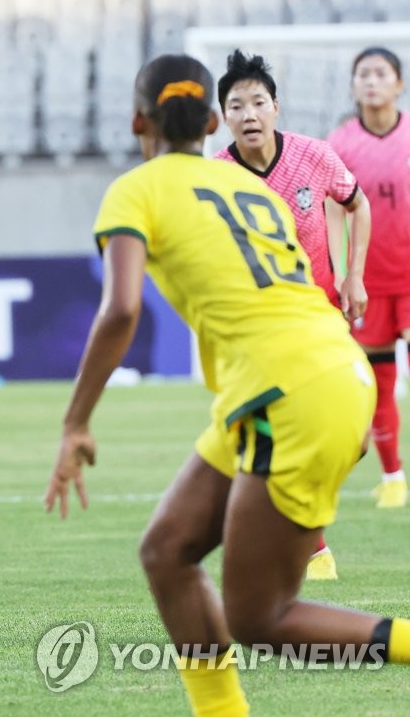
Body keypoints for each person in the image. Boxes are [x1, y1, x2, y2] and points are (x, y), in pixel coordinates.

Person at [45, 53, 410, 717]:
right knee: (167, 550)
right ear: (214, 122)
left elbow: (122, 308)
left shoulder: (137, 189)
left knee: (260, 617)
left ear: (137, 121)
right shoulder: (250, 189)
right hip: (325, 370)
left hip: (285, 391)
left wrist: (75, 422)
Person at [215, 49, 372, 581]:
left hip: (325, 319)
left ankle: (286, 524)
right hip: (266, 331)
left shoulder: (315, 156)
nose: (250, 113)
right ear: (225, 117)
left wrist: (353, 274)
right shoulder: (215, 178)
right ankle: (310, 549)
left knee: (356, 440)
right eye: (237, 105)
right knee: (288, 435)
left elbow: (357, 203)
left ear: (276, 108)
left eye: (259, 101)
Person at [328, 47, 410, 509]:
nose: (372, 81)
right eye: (363, 74)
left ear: (399, 83)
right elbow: (333, 211)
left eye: (381, 73)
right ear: (353, 85)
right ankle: (394, 477)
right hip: (370, 284)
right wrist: (343, 274)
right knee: (378, 381)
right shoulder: (340, 144)